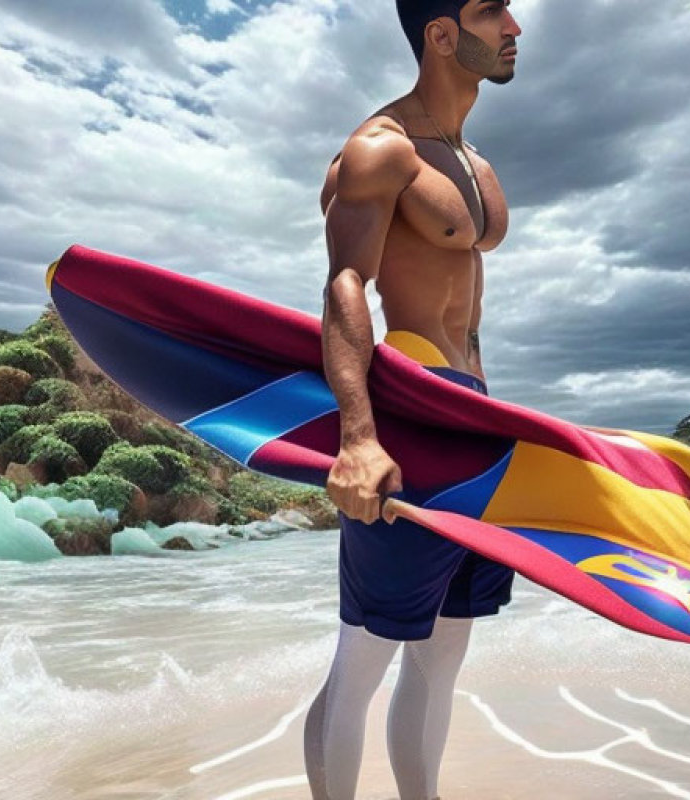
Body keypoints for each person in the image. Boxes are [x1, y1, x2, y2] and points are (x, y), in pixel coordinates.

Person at [304, 2, 521, 798]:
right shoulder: (378, 150)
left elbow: (475, 315)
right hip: (409, 418)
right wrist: (358, 435)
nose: (514, 27)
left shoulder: (475, 163)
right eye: (492, 10)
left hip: (477, 425)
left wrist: (503, 426)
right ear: (439, 33)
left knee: (443, 659)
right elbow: (345, 283)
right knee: (363, 657)